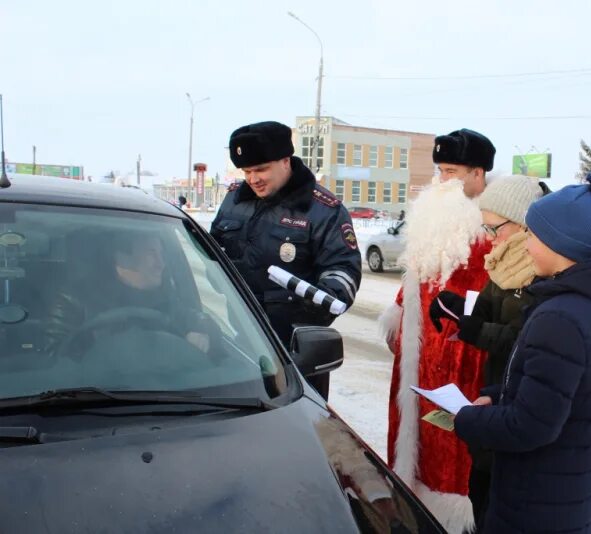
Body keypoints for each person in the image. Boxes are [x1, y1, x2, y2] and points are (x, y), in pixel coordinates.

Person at [453, 170, 591, 533]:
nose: (526, 243)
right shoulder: (586, 305)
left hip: (536, 503)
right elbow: (554, 392)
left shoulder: (562, 318)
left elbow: (530, 426)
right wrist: (498, 396)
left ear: (557, 242)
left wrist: (465, 420)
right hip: (561, 495)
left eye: (532, 234)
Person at [380, 128, 495, 533]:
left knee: (451, 458)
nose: (442, 182)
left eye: (452, 171)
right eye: (440, 171)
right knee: (414, 444)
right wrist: (398, 312)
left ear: (478, 174)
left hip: (461, 359)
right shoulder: (436, 221)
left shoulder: (492, 228)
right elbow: (418, 274)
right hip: (418, 355)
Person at [210, 121, 361, 399]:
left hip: (296, 353)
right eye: (247, 171)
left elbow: (344, 270)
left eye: (261, 169)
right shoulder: (235, 200)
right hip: (239, 340)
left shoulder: (323, 210)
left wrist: (316, 302)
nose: (253, 179)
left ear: (285, 160)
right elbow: (212, 253)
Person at [429, 175, 545, 531]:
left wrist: (475, 329)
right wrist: (459, 305)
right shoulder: (506, 260)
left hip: (519, 402)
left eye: (496, 228)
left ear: (524, 222)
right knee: (481, 492)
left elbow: (524, 340)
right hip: (495, 391)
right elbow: (490, 307)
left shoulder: (541, 270)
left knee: (501, 503)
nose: (491, 238)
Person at [44, 232, 213, 356]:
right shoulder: (73, 300)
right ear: (122, 257)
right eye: (151, 253)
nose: (161, 264)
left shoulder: (167, 297)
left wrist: (200, 329)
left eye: (162, 254)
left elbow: (199, 318)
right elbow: (56, 358)